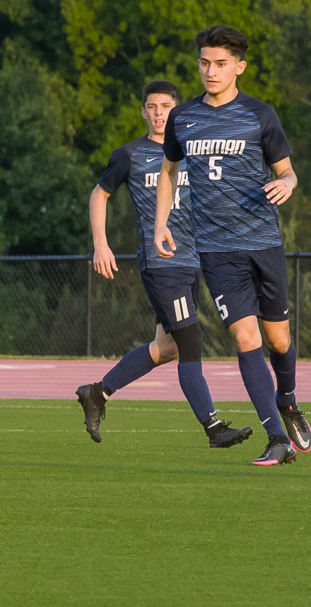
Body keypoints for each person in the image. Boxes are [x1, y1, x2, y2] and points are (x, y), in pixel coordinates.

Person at [155, 24, 310, 466]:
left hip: (262, 244)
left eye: (220, 63)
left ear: (239, 66)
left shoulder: (260, 115)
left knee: (278, 341)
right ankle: (277, 438)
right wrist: (160, 224)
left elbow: (288, 171)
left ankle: (288, 399)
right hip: (216, 251)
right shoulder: (182, 118)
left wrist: (287, 184)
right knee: (246, 338)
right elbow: (168, 172)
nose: (211, 71)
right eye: (204, 62)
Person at [76, 80, 250, 448]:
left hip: (192, 262)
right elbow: (99, 194)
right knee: (190, 342)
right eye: (152, 106)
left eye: (166, 106)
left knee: (166, 349)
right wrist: (100, 244)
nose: (158, 113)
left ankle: (97, 393)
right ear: (143, 111)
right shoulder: (130, 155)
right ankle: (214, 428)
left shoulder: (190, 152)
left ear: (177, 110)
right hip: (162, 264)